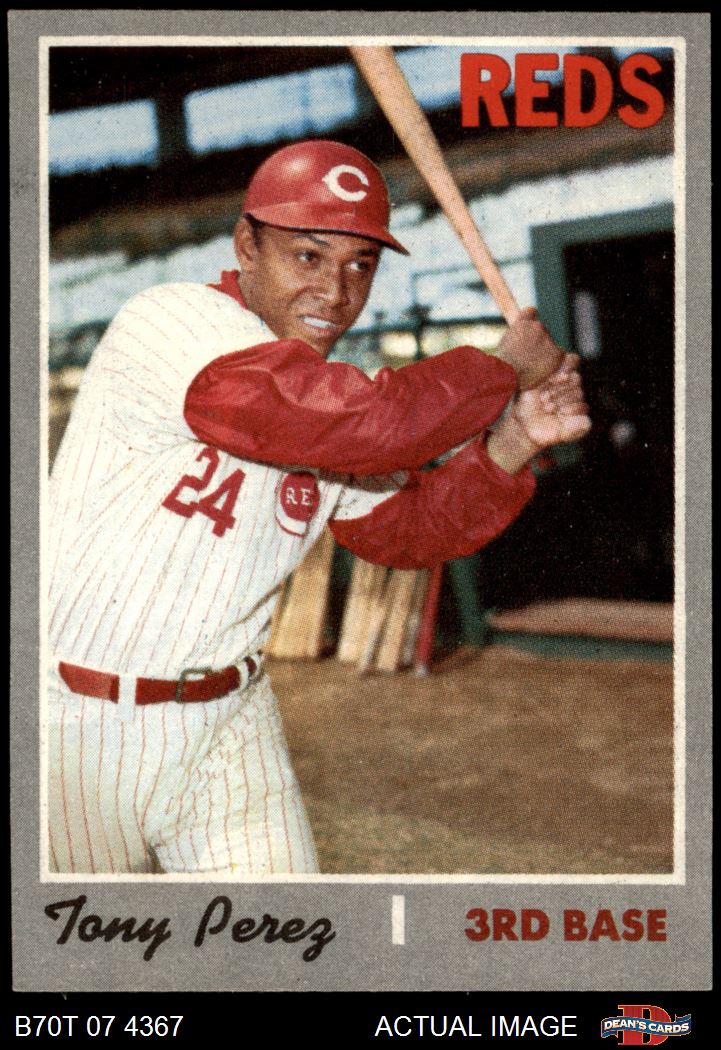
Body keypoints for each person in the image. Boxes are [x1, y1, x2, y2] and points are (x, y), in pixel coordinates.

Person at [47, 140, 590, 875]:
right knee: (88, 941)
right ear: (246, 245)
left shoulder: (332, 395)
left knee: (288, 936)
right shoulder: (174, 322)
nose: (335, 291)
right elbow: (355, 422)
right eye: (308, 255)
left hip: (231, 722)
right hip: (77, 720)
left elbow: (406, 530)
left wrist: (517, 436)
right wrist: (498, 369)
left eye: (359, 265)